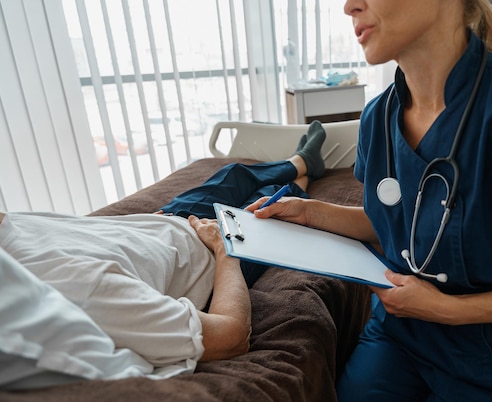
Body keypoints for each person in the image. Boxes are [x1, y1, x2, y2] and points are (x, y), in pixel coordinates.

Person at [250, 1, 492, 402]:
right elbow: (401, 225)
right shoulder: (379, 115)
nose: (348, 6)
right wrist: (309, 212)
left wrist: (453, 310)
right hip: (403, 332)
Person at [0, 121, 327, 388]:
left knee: (233, 175)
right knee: (271, 203)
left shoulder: (10, 229)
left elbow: (80, 237)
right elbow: (230, 337)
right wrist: (225, 251)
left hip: (166, 222)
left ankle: (298, 161)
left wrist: (136, 227)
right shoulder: (80, 290)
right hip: (211, 254)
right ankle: (305, 173)